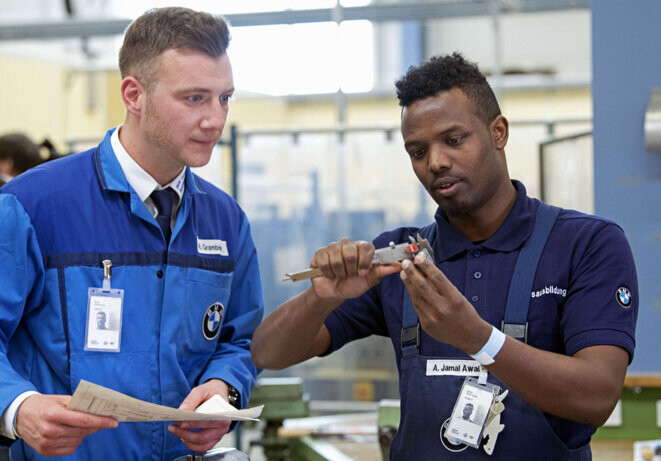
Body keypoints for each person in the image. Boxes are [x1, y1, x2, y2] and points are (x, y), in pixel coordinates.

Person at [251, 53, 638, 459]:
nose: (435, 162)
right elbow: (267, 353)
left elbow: (598, 395)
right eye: (417, 151)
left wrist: (477, 338)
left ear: (499, 132)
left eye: (454, 140)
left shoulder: (586, 245)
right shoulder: (399, 260)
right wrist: (321, 297)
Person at [0, 7, 264, 461]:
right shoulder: (33, 206)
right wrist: (17, 407)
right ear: (133, 94)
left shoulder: (226, 221)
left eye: (225, 98)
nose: (215, 120)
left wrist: (224, 389)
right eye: (195, 98)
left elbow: (240, 340)